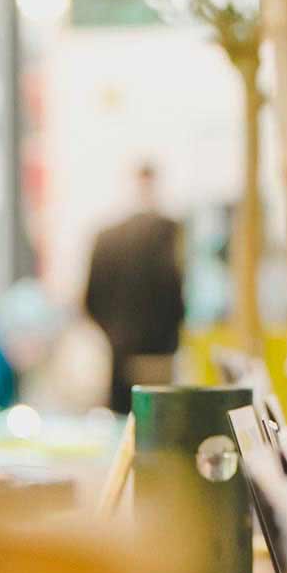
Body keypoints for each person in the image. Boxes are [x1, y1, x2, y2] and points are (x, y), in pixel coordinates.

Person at [83, 163, 188, 413]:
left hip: (118, 353)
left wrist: (113, 336)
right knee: (158, 425)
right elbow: (177, 294)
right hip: (160, 356)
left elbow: (90, 299)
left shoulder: (106, 236)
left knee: (123, 427)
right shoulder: (170, 233)